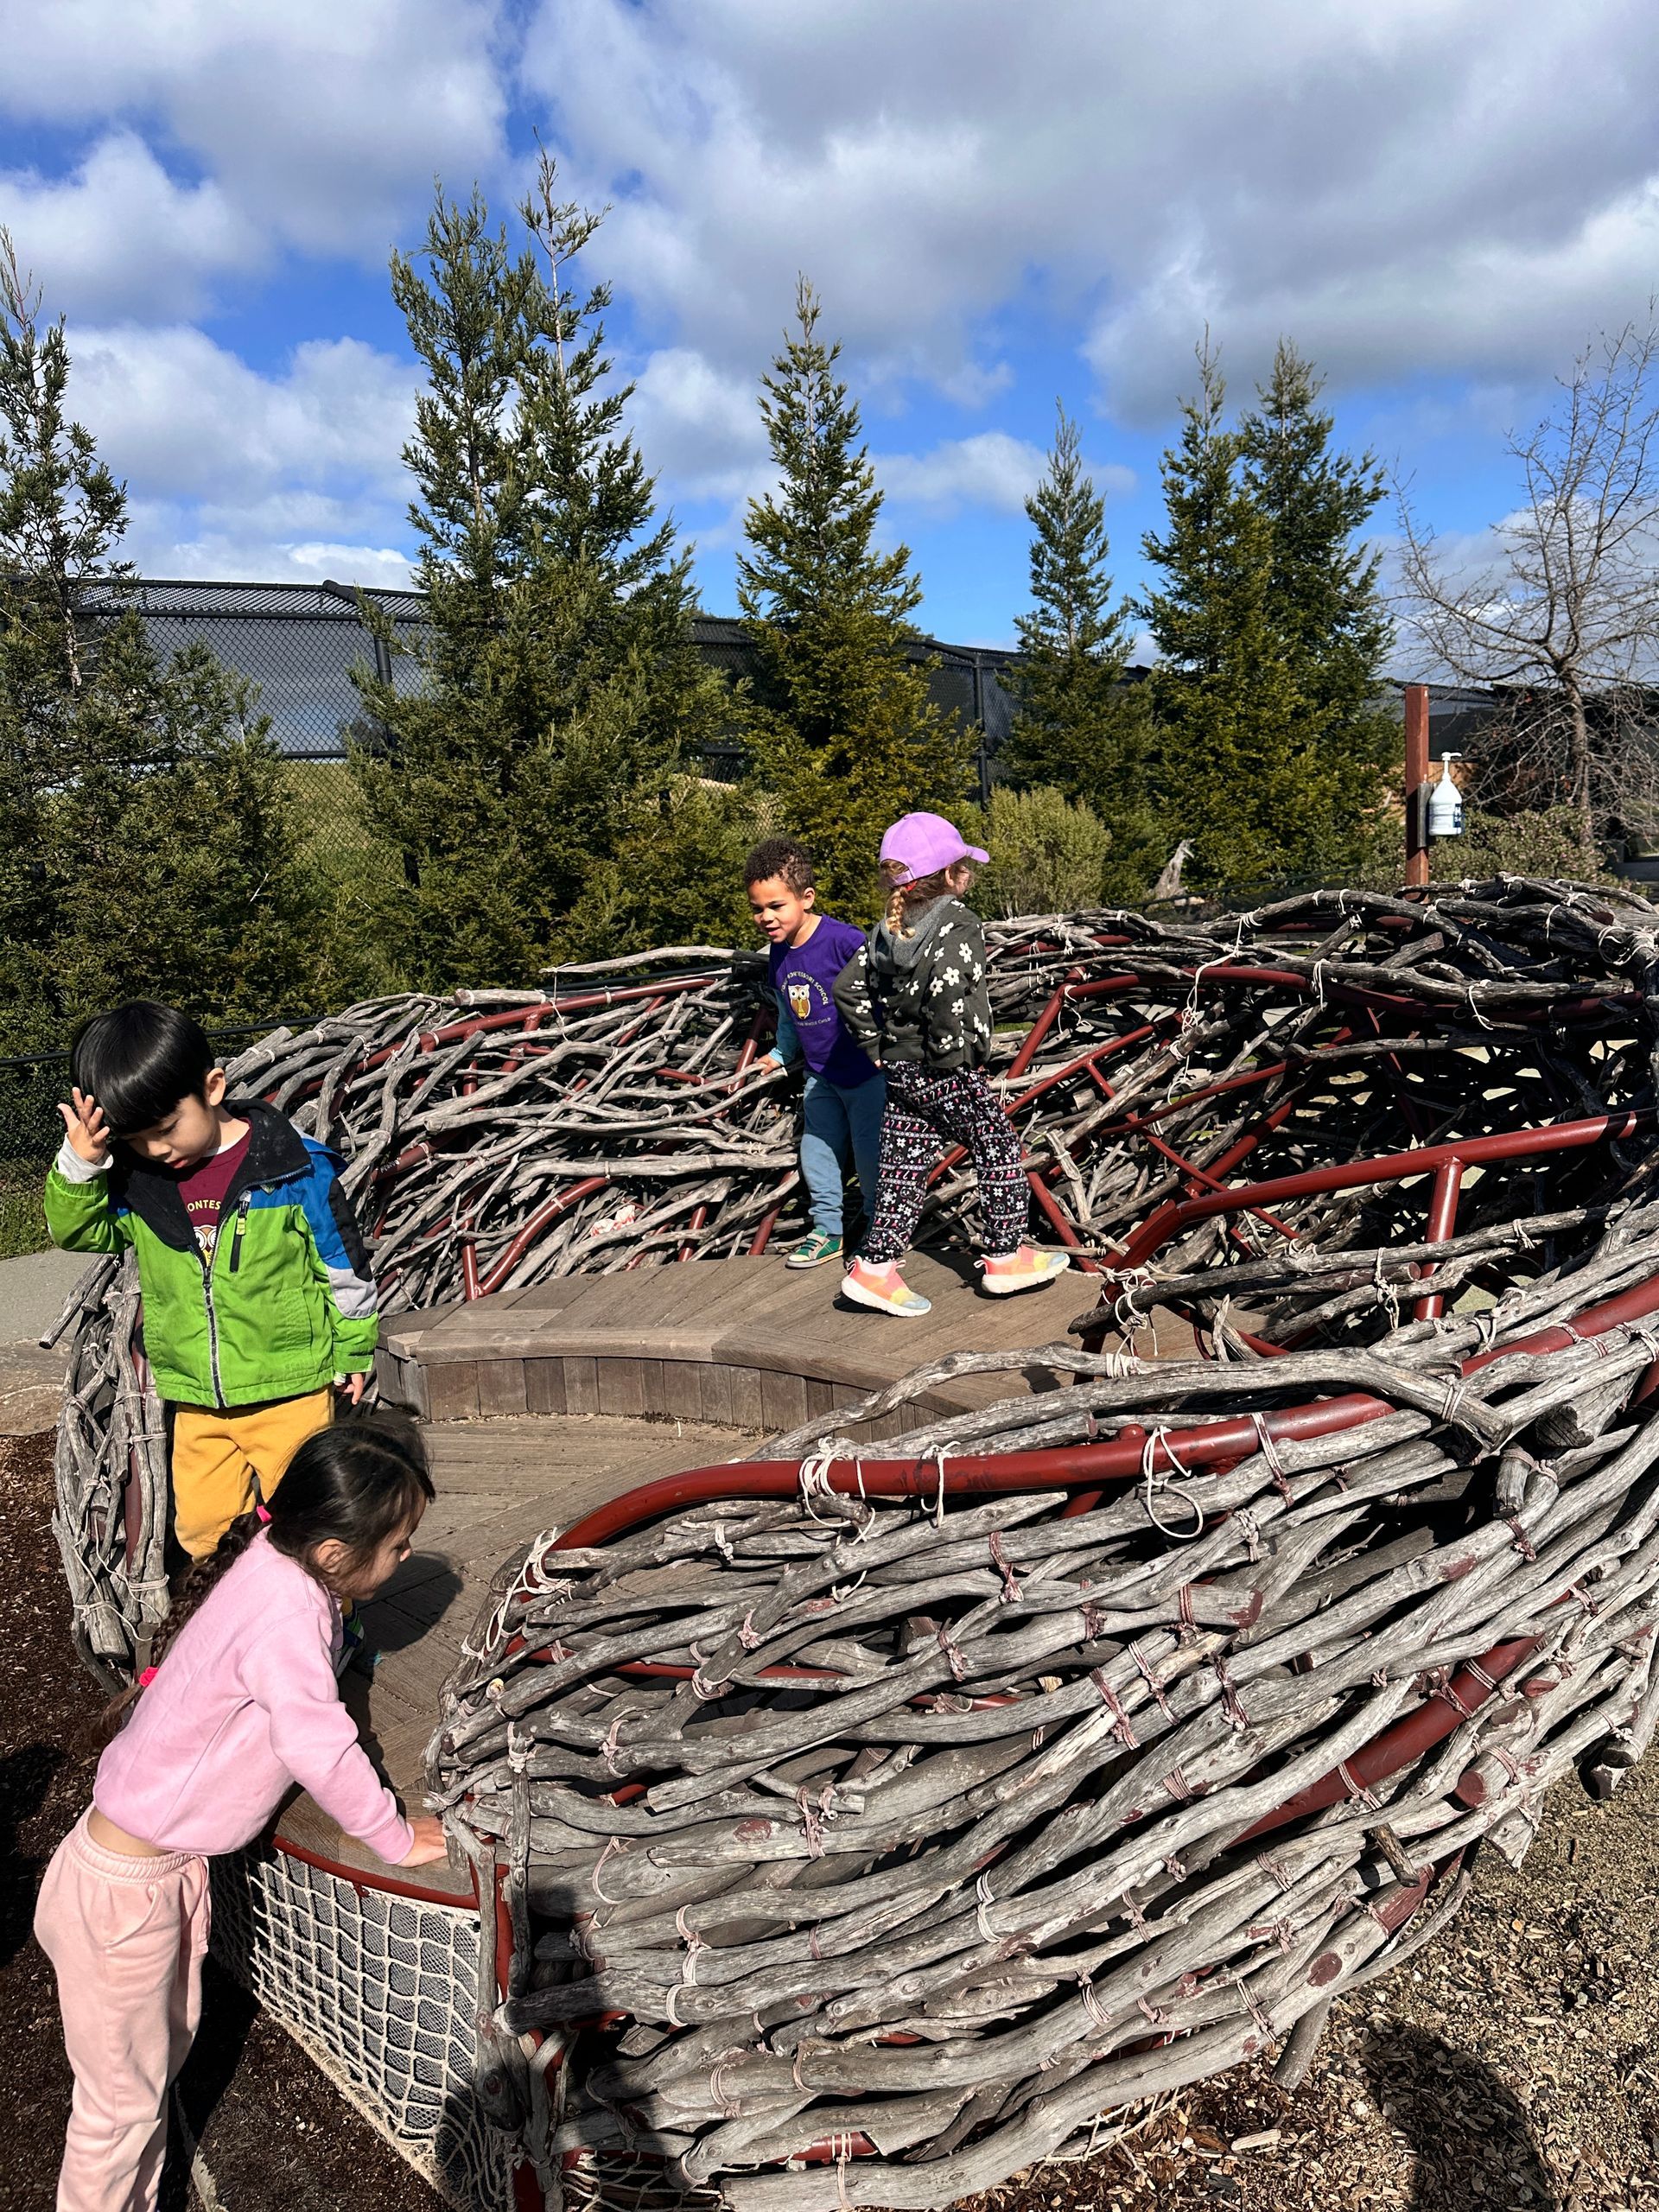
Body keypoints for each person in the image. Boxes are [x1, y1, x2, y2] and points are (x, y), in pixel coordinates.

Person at [33, 1414, 448, 2212]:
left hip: (142, 1872)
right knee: (116, 2110)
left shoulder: (277, 1565)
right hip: (124, 1896)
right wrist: (391, 1838)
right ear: (333, 1554)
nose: (404, 1560)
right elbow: (319, 1746)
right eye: (398, 1547)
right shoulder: (288, 1615)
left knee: (156, 2060)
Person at [46, 1001, 380, 1560]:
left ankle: (332, 1631)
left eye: (166, 1128)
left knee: (307, 1525)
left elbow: (343, 1268)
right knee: (203, 1531)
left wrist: (354, 1350)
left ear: (214, 1086)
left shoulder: (294, 1169)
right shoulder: (142, 1187)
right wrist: (82, 1163)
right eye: (135, 1139)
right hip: (197, 1399)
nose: (155, 1149)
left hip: (291, 1388)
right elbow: (78, 1231)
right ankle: (229, 1624)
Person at [833, 811, 1071, 1318]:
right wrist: (951, 1055)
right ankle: (1007, 1256)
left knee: (904, 1166)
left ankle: (875, 1270)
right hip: (945, 1066)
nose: (969, 874)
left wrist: (877, 1048)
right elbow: (949, 992)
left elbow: (846, 989)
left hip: (899, 1069)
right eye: (965, 866)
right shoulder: (958, 921)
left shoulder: (885, 929)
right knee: (997, 1144)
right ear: (949, 874)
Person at [747, 836, 887, 1269]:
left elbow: (881, 996)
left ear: (806, 898)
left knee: (870, 1155)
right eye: (758, 908)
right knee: (817, 1149)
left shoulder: (845, 941)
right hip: (821, 1074)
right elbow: (789, 1011)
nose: (766, 917)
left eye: (776, 905)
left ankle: (879, 1229)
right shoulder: (778, 953)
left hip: (866, 1072)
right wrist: (780, 1052)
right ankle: (828, 1230)